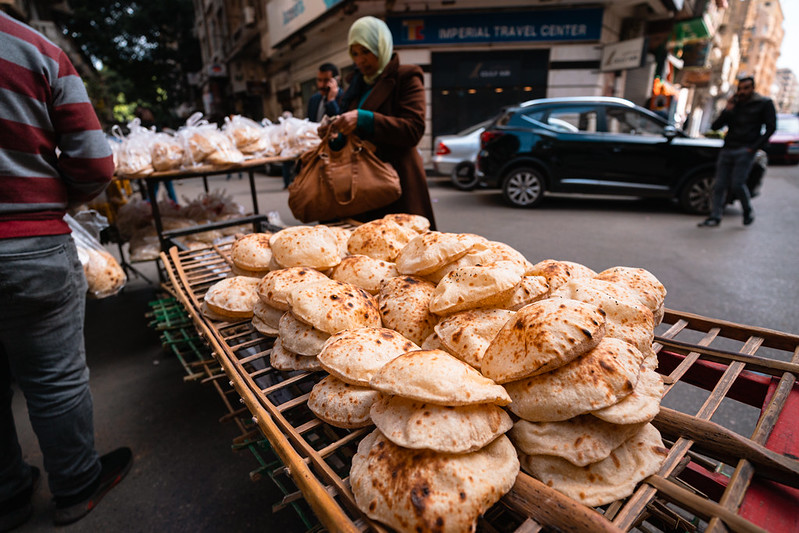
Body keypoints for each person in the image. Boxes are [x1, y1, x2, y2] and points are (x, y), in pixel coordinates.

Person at [0, 11, 132, 529]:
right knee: (55, 380)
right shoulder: (33, 50)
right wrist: (50, 202)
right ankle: (76, 487)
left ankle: (8, 497)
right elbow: (96, 163)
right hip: (28, 244)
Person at [325, 16, 437, 229]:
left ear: (381, 46)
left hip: (397, 184)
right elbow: (353, 133)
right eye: (355, 53)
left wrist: (365, 119)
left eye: (366, 52)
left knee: (406, 253)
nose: (360, 60)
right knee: (366, 253)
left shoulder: (406, 76)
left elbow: (414, 129)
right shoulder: (355, 87)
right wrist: (336, 134)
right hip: (362, 186)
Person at [698, 76, 776, 227]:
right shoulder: (735, 104)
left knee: (737, 184)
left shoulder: (763, 103)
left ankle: (747, 210)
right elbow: (715, 126)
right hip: (728, 149)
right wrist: (727, 110)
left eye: (746, 88)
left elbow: (771, 127)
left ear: (753, 88)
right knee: (719, 185)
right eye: (740, 88)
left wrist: (754, 147)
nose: (742, 92)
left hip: (745, 150)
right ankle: (715, 217)